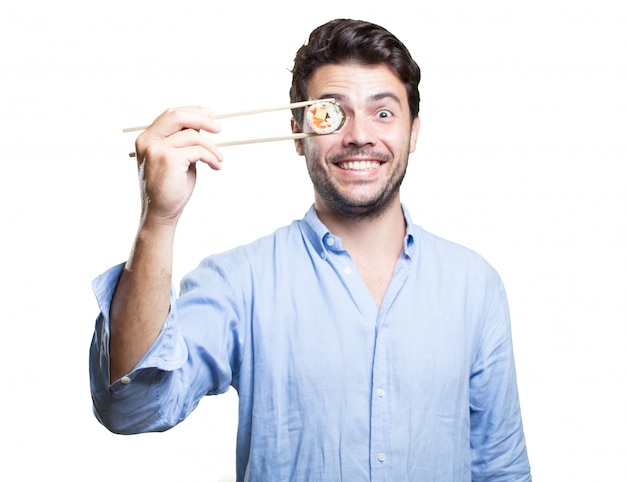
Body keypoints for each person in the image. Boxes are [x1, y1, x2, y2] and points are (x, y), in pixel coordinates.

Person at [90, 18, 532, 481]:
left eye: (383, 113)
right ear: (298, 132)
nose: (359, 135)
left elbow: (500, 468)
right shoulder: (241, 281)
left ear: (413, 132)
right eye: (330, 113)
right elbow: (131, 408)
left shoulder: (475, 285)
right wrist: (158, 221)